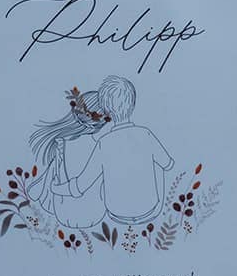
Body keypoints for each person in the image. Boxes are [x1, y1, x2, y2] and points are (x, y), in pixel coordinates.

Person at [53, 76, 174, 226]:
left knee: (103, 171)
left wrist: (56, 188)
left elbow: (80, 186)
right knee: (156, 164)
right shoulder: (146, 134)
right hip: (151, 209)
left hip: (117, 214)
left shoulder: (103, 143)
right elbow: (168, 164)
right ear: (133, 104)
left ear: (106, 112)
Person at [27, 88, 110, 230]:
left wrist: (53, 187)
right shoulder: (98, 146)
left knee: (56, 167)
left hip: (62, 211)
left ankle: (39, 189)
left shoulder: (62, 142)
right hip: (94, 214)